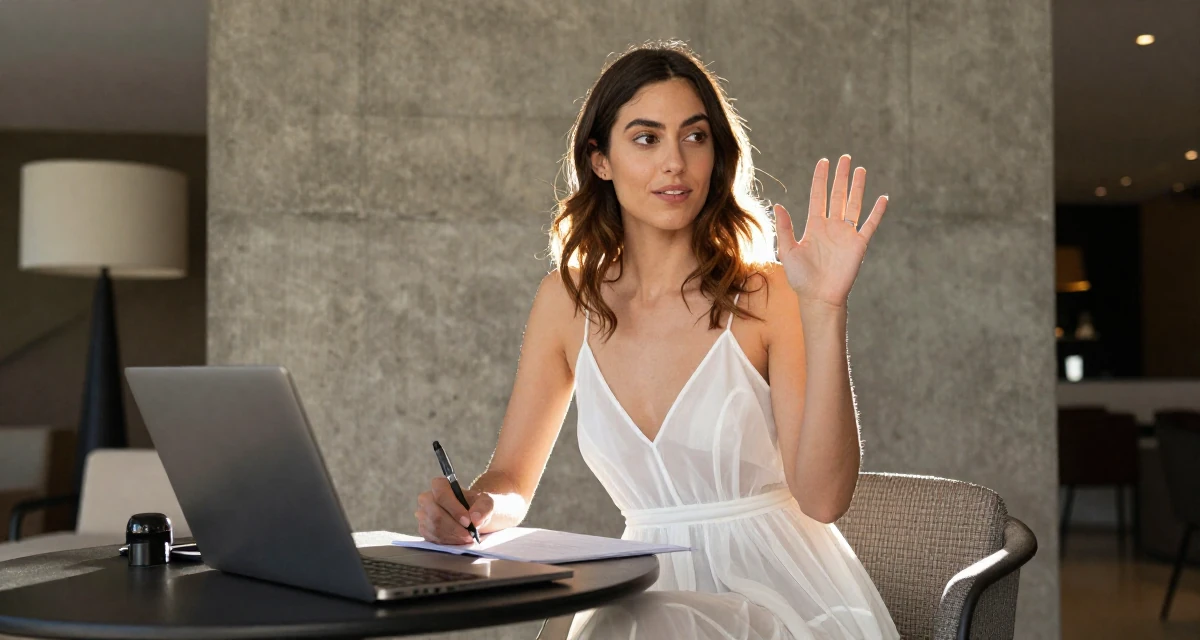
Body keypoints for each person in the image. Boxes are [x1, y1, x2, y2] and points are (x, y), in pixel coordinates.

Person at [414, 40, 900, 639]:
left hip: (781, 597)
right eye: (647, 138)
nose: (675, 162)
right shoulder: (565, 303)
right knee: (600, 622)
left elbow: (824, 500)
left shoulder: (768, 295)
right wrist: (478, 510)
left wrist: (824, 309)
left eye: (694, 136)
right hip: (644, 591)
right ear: (600, 160)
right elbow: (511, 479)